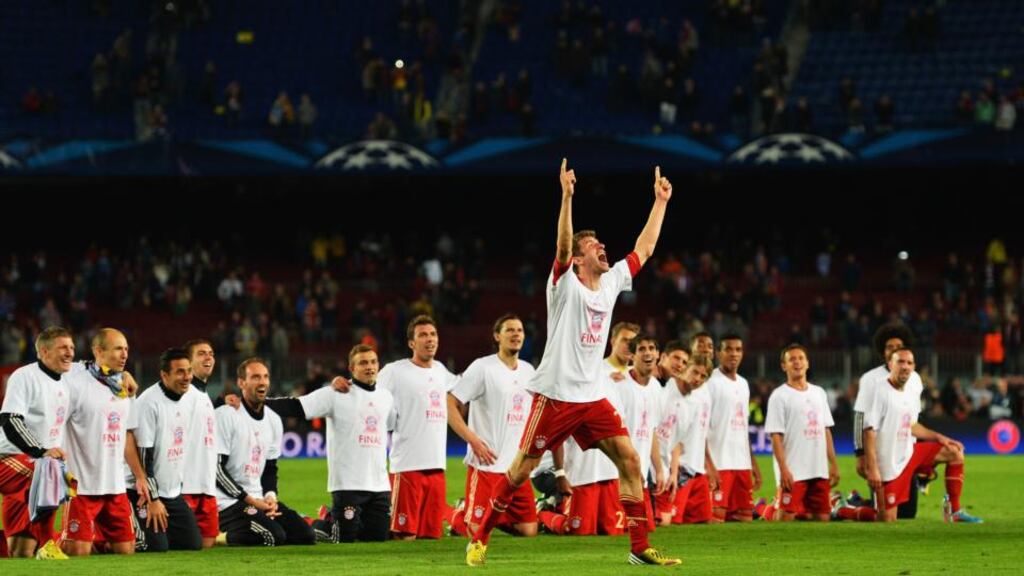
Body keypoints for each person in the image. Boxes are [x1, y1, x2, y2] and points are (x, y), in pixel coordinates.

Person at [467, 159, 676, 567]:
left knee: (631, 461)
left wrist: (660, 201)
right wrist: (566, 197)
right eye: (593, 247)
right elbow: (562, 247)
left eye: (601, 245)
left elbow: (645, 248)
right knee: (519, 472)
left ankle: (638, 547)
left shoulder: (612, 281)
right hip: (557, 396)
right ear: (578, 260)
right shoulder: (563, 286)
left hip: (593, 395)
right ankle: (479, 537)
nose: (602, 248)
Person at [265, 345, 394, 543]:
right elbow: (297, 406)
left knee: (377, 538)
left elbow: (397, 423)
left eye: (373, 362)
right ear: (351, 368)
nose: (369, 367)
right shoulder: (336, 394)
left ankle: (332, 516)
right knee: (342, 538)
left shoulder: (386, 397)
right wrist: (257, 403)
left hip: (379, 486)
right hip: (348, 485)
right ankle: (315, 522)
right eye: (363, 363)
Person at [864, 349, 983, 523]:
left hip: (909, 453)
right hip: (888, 464)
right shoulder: (879, 392)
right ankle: (846, 510)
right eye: (900, 362)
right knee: (887, 519)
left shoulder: (908, 393)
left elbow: (911, 426)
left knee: (954, 452)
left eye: (909, 363)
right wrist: (872, 467)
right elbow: (868, 431)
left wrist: (939, 437)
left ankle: (954, 512)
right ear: (890, 365)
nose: (905, 367)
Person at [447, 314, 538, 538]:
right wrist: (473, 440)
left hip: (516, 467)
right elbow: (450, 402)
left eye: (520, 330)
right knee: (475, 533)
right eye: (510, 330)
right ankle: (459, 515)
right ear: (497, 336)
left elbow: (537, 413)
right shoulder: (483, 367)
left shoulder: (529, 371)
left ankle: (487, 516)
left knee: (528, 531)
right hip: (487, 464)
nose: (516, 334)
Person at [213, 358, 316, 546]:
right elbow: (217, 470)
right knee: (272, 536)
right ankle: (219, 536)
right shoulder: (227, 416)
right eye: (255, 377)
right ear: (241, 383)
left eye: (265, 377)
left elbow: (270, 468)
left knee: (306, 535)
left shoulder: (274, 420)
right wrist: (250, 500)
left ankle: (260, 520)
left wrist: (270, 497)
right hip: (227, 502)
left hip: (259, 500)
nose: (262, 382)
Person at [377, 315, 456, 540]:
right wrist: (343, 383)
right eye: (422, 335)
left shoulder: (441, 371)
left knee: (431, 537)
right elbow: (367, 387)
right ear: (411, 343)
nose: (429, 339)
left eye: (433, 334)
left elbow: (465, 389)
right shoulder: (395, 371)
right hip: (408, 466)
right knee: (404, 535)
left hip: (437, 466)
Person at [61, 328, 137, 556]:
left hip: (115, 485)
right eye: (117, 349)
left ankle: (95, 541)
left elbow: (126, 436)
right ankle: (46, 544)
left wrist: (140, 476)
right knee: (77, 551)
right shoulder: (74, 381)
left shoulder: (124, 389)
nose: (124, 354)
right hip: (82, 485)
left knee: (126, 550)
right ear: (98, 351)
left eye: (126, 349)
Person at [0, 327, 74, 559]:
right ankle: (48, 544)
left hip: (30, 469)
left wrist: (121, 376)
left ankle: (32, 549)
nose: (70, 352)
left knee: (19, 551)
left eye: (72, 347)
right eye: (63, 347)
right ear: (43, 351)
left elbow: (94, 367)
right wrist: (41, 452)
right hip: (8, 459)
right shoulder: (25, 376)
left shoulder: (65, 380)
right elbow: (10, 419)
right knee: (51, 471)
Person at [127, 347, 203, 551]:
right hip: (141, 492)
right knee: (153, 546)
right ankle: (103, 539)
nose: (186, 377)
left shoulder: (189, 398)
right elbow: (145, 457)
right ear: (164, 375)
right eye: (180, 372)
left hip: (171, 492)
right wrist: (153, 499)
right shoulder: (149, 403)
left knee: (192, 544)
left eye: (189, 371)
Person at [852, 323, 925, 518]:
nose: (894, 350)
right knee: (883, 513)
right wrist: (860, 454)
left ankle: (855, 503)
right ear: (883, 352)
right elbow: (860, 417)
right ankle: (849, 509)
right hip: (882, 453)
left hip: (907, 451)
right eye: (889, 347)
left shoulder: (915, 379)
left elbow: (915, 416)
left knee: (908, 514)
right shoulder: (871, 379)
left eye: (898, 346)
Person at [764, 344, 839, 521]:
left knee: (822, 518)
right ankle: (766, 511)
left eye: (801, 358)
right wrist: (783, 470)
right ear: (784, 366)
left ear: (807, 363)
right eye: (792, 359)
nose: (797, 362)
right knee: (785, 518)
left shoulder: (819, 393)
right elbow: (775, 436)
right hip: (793, 470)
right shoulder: (779, 396)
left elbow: (825, 429)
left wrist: (833, 464)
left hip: (818, 469)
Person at [705, 334, 763, 522]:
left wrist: (752, 463)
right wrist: (708, 465)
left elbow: (743, 427)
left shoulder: (744, 384)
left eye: (738, 349)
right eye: (728, 349)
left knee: (744, 518)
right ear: (718, 353)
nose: (733, 354)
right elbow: (702, 427)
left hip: (741, 464)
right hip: (719, 463)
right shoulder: (710, 383)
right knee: (717, 518)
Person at [664, 354, 714, 525]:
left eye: (703, 376)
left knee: (703, 520)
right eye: (695, 373)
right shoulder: (666, 389)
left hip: (688, 467)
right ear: (685, 368)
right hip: (668, 466)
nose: (697, 379)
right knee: (669, 521)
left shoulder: (693, 402)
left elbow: (678, 440)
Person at [181, 339, 220, 548]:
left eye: (211, 353)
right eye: (202, 353)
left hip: (206, 486)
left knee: (207, 543)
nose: (208, 357)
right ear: (188, 361)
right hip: (186, 486)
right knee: (189, 545)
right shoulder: (183, 395)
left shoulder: (205, 396)